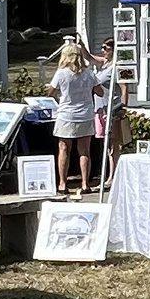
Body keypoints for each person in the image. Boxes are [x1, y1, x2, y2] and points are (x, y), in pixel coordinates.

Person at [47, 38, 111, 196]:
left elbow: (50, 92)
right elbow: (100, 92)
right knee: (84, 151)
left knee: (64, 149)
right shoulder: (88, 73)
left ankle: (63, 183)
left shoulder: (61, 73)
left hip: (66, 115)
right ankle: (85, 183)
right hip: (85, 115)